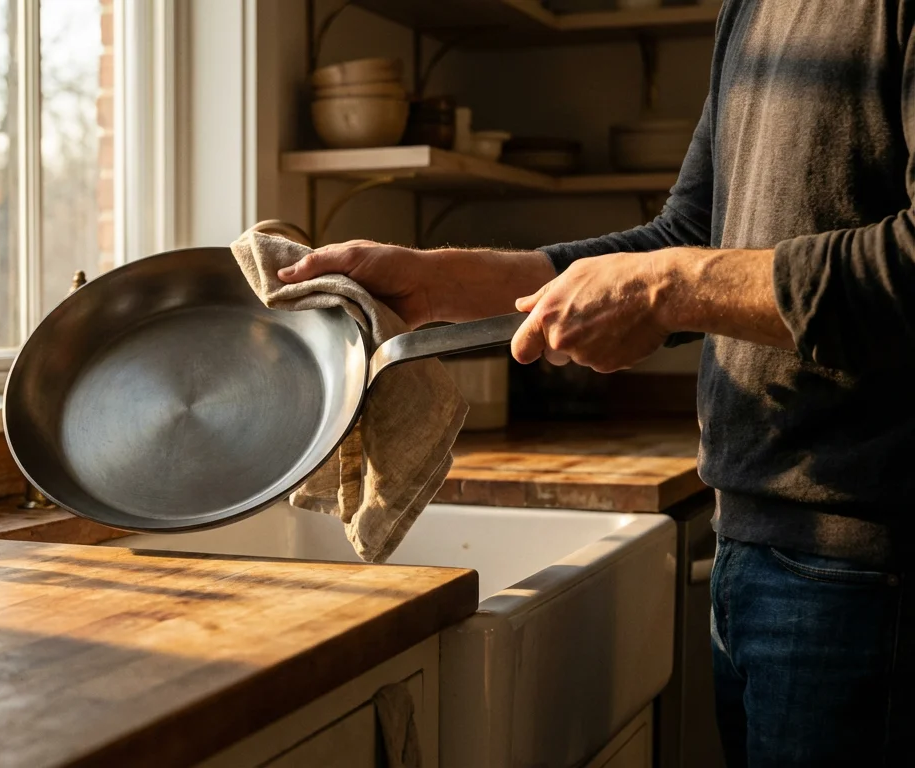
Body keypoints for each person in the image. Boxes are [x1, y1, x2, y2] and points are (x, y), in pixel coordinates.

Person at [279, 2, 914, 766]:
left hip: (874, 569)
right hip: (754, 542)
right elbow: (688, 234)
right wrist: (442, 282)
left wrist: (669, 289)